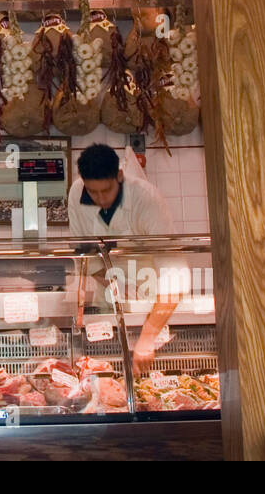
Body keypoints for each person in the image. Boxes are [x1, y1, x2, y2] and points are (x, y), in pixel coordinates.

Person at [68, 143, 182, 376]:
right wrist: (114, 283)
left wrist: (148, 338)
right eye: (93, 192)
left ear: (119, 176)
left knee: (152, 380)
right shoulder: (76, 193)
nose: (100, 198)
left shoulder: (147, 200)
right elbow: (86, 255)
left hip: (154, 301)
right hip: (109, 302)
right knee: (110, 381)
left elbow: (175, 275)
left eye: (106, 190)